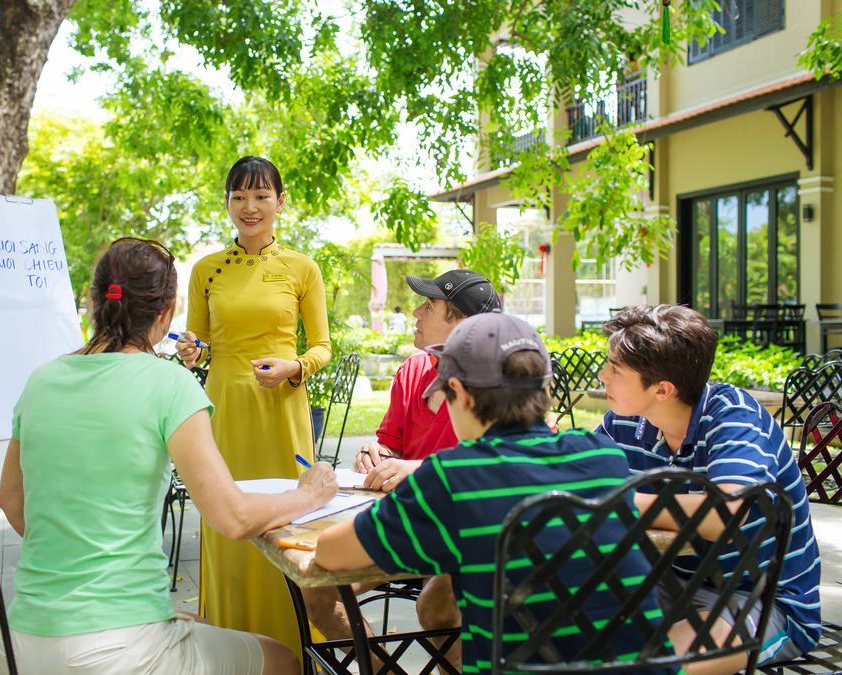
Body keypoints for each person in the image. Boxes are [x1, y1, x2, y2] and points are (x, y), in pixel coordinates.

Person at [0, 238, 338, 674]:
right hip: (117, 649)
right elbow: (233, 517)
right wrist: (309, 495)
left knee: (196, 628)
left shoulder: (41, 380)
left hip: (21, 643)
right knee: (284, 661)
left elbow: (11, 500)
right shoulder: (169, 384)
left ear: (94, 300)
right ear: (167, 311)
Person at [314, 310, 678, 674]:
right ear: (546, 390)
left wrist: (310, 496)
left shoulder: (451, 477)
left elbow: (331, 553)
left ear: (459, 393)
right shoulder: (603, 456)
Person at [597, 304, 821, 672]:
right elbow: (585, 482)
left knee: (646, 667)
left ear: (663, 389)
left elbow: (724, 512)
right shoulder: (625, 423)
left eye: (616, 369)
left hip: (758, 602)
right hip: (670, 584)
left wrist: (625, 499)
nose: (603, 375)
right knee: (556, 634)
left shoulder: (734, 417)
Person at [302, 269, 501, 666]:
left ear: (461, 323)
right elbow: (389, 442)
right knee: (316, 589)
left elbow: (504, 464)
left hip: (462, 536)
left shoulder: (499, 384)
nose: (415, 311)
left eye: (429, 305)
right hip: (403, 529)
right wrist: (376, 453)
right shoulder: (413, 371)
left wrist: (421, 470)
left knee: (439, 604)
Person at [176, 156, 331, 655]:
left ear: (280, 203)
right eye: (239, 197)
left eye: (261, 196)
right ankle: (232, 644)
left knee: (290, 519)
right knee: (225, 514)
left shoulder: (302, 268)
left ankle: (293, 642)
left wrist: (295, 367)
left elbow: (322, 348)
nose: (250, 207)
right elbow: (199, 341)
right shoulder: (205, 269)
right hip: (222, 405)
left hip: (282, 410)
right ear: (227, 202)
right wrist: (191, 349)